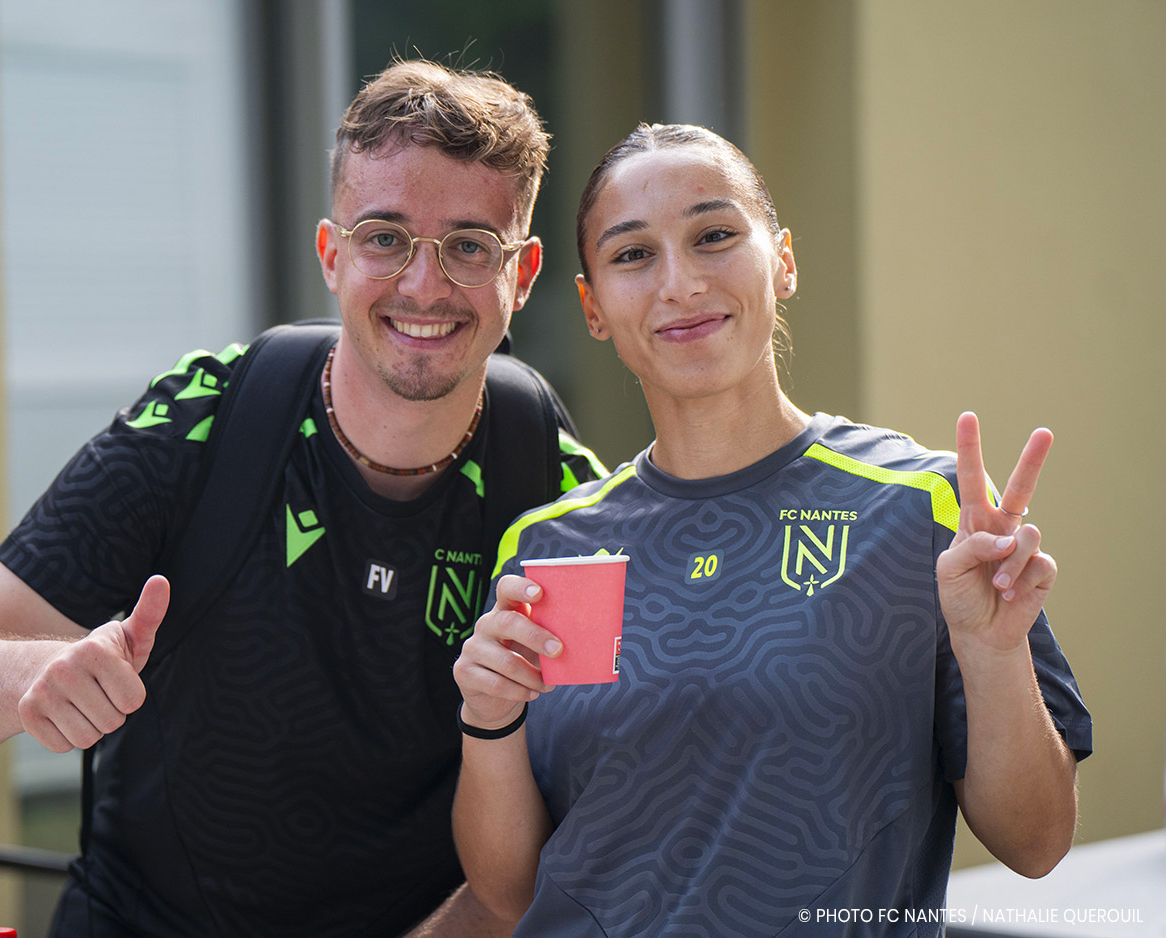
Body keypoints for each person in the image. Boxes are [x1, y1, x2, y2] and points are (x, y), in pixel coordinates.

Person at [0, 61, 603, 938]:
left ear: (522, 274)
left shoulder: (561, 495)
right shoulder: (203, 419)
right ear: (332, 254)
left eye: (470, 246)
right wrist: (35, 676)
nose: (423, 283)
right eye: (384, 237)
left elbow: (580, 830)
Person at [451, 123, 1091, 937]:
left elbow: (1036, 844)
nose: (680, 283)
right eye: (633, 254)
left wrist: (994, 654)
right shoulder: (546, 547)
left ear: (782, 261)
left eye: (714, 236)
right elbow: (508, 895)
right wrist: (488, 717)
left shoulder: (927, 511)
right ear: (593, 308)